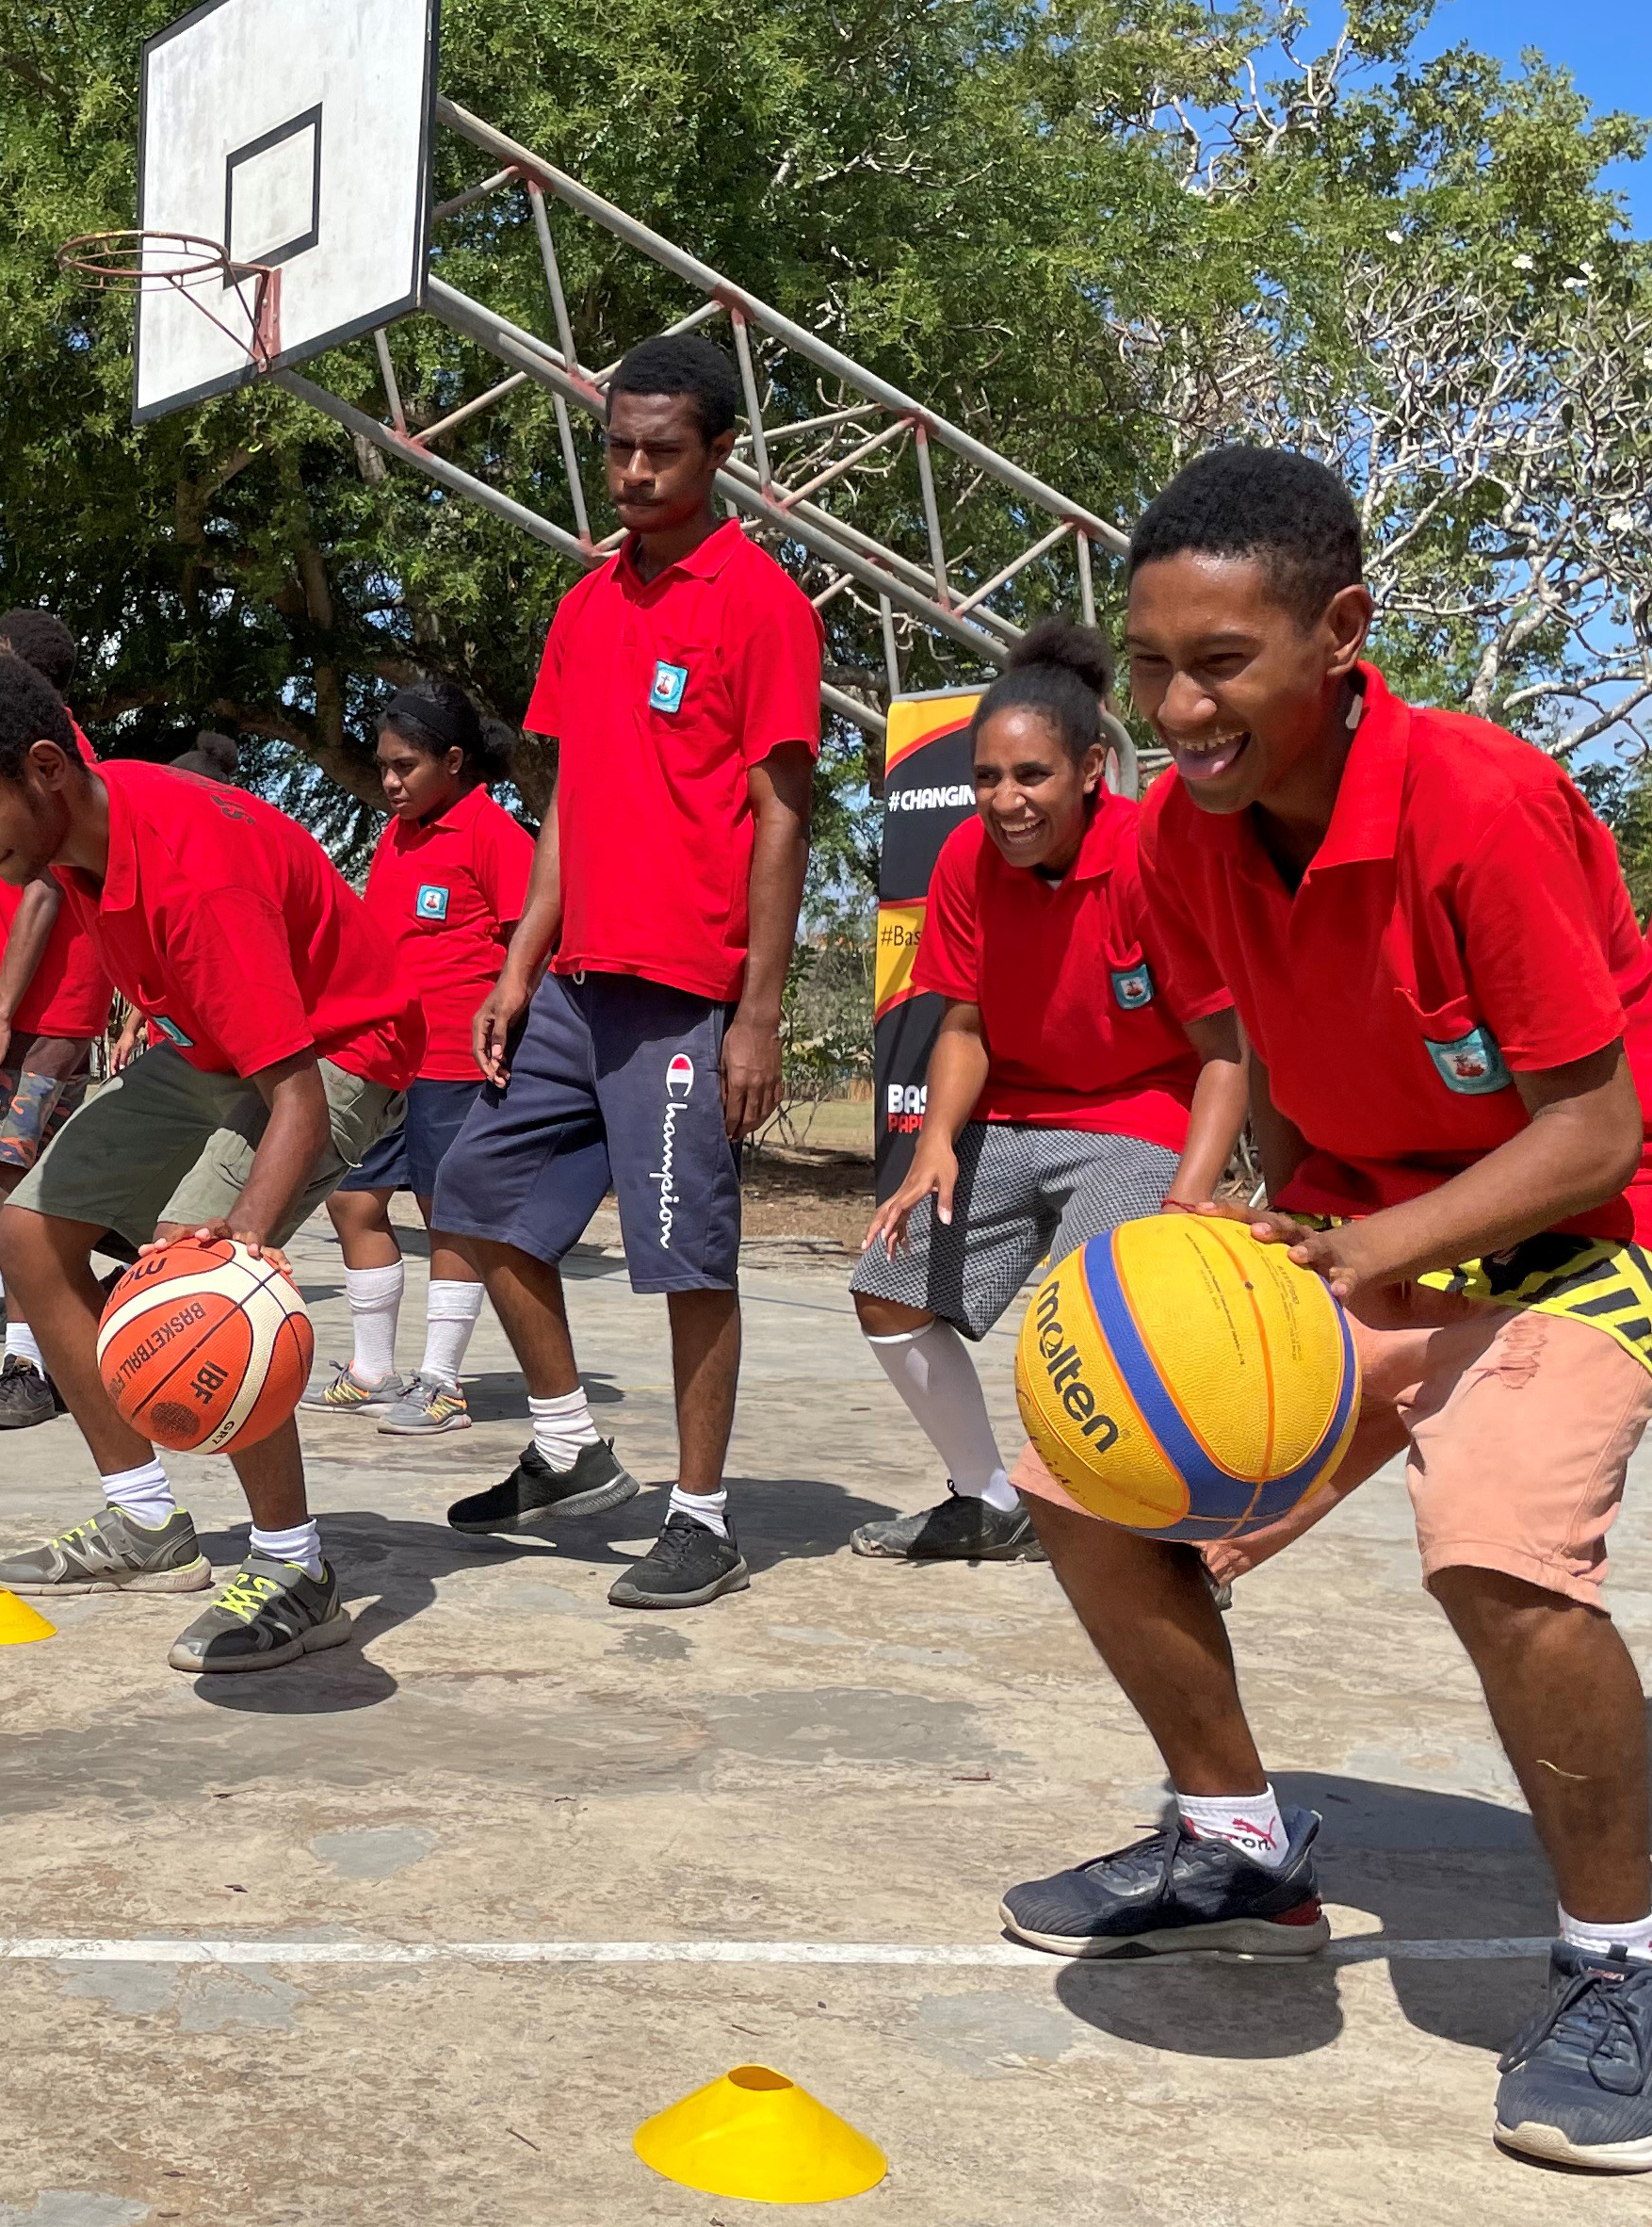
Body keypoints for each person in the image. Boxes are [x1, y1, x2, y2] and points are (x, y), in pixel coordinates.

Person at [986, 447, 1652, 2172]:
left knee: (1496, 1551)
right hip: (1362, 1231)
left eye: (1220, 662)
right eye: (1149, 665)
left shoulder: (1479, 802)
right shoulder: (1197, 832)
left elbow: (1597, 1125)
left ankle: (1622, 1960)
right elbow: (1254, 1035)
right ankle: (1234, 1842)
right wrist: (1243, 1202)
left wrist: (1379, 1241)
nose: (1176, 704)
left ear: (1340, 632)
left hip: (1575, 1238)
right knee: (1079, 1473)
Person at [0, 650, 418, 1676]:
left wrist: (240, 1253)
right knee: (27, 1238)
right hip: (212, 1055)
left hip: (334, 1051)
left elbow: (299, 1099)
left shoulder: (191, 870)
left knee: (200, 1270)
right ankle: (142, 1524)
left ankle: (295, 1570)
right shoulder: (72, 847)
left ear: (46, 770)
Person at [429, 331, 820, 1614]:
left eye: (663, 450)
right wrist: (516, 966)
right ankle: (567, 1450)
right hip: (573, 983)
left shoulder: (760, 603)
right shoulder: (587, 606)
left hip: (682, 997)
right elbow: (569, 812)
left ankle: (700, 1519)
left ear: (719, 451)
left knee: (684, 1256)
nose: (636, 472)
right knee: (474, 1195)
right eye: (618, 449)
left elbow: (780, 815)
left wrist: (756, 1014)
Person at [848, 622, 1249, 1561]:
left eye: (1028, 776)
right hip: (1013, 1111)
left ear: (1085, 776)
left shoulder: (1155, 857)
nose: (1004, 799)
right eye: (986, 777)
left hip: (1138, 1115)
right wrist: (935, 1141)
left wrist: (1188, 1195)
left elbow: (1223, 1054)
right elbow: (962, 1026)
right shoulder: (960, 862)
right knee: (883, 1288)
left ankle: (1139, 1530)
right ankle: (986, 1501)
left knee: (1094, 1319)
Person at [309, 680, 533, 1437]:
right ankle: (374, 1370)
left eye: (406, 766)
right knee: (353, 1201)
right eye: (384, 766)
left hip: (459, 1065)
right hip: (388, 1061)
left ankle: (441, 1384)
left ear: (456, 761)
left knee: (450, 1217)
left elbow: (529, 947)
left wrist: (504, 1021)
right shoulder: (395, 836)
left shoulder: (494, 835)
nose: (391, 782)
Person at [0, 815, 113, 1430]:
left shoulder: (38, 773)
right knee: (6, 1180)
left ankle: (30, 1366)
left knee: (11, 1179)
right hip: (30, 1015)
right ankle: (57, 1359)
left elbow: (48, 888)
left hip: (47, 1014)